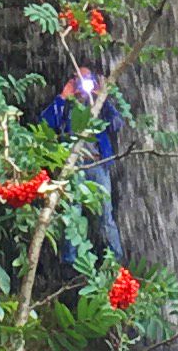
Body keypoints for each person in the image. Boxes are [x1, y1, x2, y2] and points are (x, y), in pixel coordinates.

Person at [38, 66, 124, 269]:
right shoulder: (66, 106)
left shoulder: (99, 106)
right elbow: (45, 123)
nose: (83, 84)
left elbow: (117, 124)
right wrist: (62, 96)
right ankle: (70, 265)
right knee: (73, 214)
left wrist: (103, 98)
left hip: (97, 163)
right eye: (79, 79)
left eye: (87, 79)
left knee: (105, 214)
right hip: (73, 165)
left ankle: (116, 261)